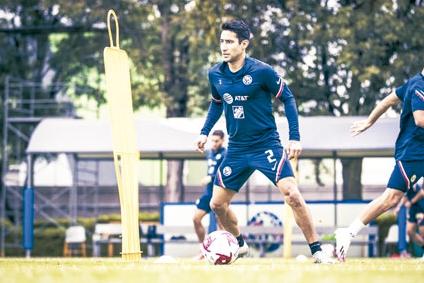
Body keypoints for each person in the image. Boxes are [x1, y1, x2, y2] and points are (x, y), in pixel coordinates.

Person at [194, 19, 334, 264]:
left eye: (229, 42)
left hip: (265, 145)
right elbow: (217, 104)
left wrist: (294, 138)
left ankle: (317, 251)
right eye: (221, 42)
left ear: (244, 44)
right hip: (237, 149)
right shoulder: (215, 74)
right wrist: (204, 132)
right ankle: (239, 245)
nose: (223, 47)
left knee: (292, 194)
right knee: (217, 204)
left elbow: (288, 99)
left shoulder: (262, 72)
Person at [336, 67, 424, 262]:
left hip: (417, 152)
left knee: (390, 198)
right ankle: (348, 232)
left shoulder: (412, 83)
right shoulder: (418, 86)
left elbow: (388, 100)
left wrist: (370, 121)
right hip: (413, 154)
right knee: (391, 198)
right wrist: (369, 122)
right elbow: (420, 119)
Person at [192, 129, 226, 260]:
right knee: (196, 219)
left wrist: (211, 178)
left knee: (221, 223)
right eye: (212, 140)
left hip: (220, 193)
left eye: (217, 141)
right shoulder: (210, 153)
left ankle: (226, 250)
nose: (214, 143)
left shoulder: (226, 154)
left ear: (223, 141)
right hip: (208, 193)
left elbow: (225, 172)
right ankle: (203, 248)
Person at [394, 181, 424, 259]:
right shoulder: (405, 186)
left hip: (421, 209)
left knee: (422, 233)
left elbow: (421, 193)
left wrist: (411, 202)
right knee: (410, 231)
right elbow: (405, 197)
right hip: (413, 211)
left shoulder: (414, 184)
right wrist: (398, 207)